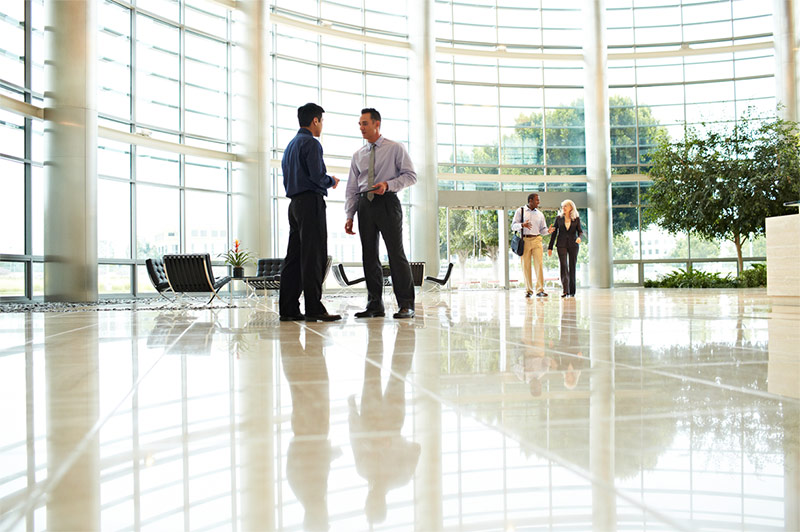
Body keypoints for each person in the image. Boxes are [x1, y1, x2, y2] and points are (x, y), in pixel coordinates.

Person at [344, 108, 417, 319]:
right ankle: (374, 305)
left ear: (377, 124)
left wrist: (388, 184)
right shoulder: (358, 155)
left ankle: (406, 304)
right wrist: (350, 215)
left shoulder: (395, 148)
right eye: (359, 124)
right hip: (364, 205)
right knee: (369, 256)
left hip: (387, 202)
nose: (361, 128)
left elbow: (411, 176)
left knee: (396, 253)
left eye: (365, 123)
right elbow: (351, 187)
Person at [349, 321, 420, 525]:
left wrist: (352, 410)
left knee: (372, 372)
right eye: (374, 503)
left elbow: (354, 438)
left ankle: (375, 334)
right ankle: (406, 334)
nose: (372, 499)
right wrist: (393, 444)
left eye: (370, 503)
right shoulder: (401, 478)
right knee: (398, 375)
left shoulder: (363, 470)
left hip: (370, 418)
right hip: (392, 420)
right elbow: (416, 449)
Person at [279, 103, 341, 322]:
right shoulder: (311, 144)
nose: (322, 126)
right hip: (310, 203)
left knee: (294, 258)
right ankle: (314, 308)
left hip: (294, 205)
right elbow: (317, 176)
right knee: (314, 257)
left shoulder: (290, 146)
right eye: (321, 121)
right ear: (315, 120)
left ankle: (288, 309)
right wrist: (330, 181)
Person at [511, 193, 554, 298]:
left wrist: (548, 231)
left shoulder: (540, 214)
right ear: (530, 200)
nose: (538, 202)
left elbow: (542, 230)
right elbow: (513, 226)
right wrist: (522, 225)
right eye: (537, 200)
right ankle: (528, 291)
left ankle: (540, 290)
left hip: (537, 240)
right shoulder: (520, 211)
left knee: (539, 265)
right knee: (526, 266)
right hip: (525, 240)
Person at [547, 199, 583, 298]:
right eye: (562, 206)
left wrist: (579, 238)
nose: (563, 208)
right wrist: (550, 247)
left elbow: (580, 231)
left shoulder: (576, 219)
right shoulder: (558, 218)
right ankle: (565, 290)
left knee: (572, 266)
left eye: (565, 206)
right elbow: (554, 233)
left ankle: (572, 291)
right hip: (561, 244)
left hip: (573, 245)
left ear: (571, 207)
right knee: (563, 266)